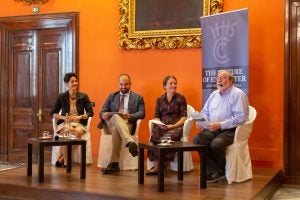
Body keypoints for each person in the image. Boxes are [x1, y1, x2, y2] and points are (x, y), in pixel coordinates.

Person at [193, 69, 249, 182]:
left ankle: (221, 170)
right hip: (213, 128)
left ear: (231, 80)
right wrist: (202, 121)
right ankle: (215, 170)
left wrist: (221, 125)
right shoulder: (214, 95)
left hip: (232, 129)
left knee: (216, 144)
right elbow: (205, 111)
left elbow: (240, 118)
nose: (219, 80)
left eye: (222, 78)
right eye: (217, 78)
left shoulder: (238, 94)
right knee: (198, 140)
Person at [98, 74, 145, 174]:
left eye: (126, 84)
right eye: (121, 84)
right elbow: (102, 111)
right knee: (115, 117)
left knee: (116, 129)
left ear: (130, 84)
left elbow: (142, 113)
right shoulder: (112, 96)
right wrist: (103, 115)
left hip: (127, 124)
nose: (123, 87)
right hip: (110, 124)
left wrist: (130, 116)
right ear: (118, 84)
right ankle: (129, 142)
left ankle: (114, 164)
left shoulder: (138, 98)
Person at [50, 72, 94, 167]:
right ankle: (66, 162)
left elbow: (91, 112)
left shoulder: (84, 96)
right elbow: (53, 113)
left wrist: (80, 117)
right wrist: (63, 117)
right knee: (66, 134)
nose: (75, 83)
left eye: (76, 81)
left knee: (76, 133)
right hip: (65, 124)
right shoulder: (62, 97)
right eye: (72, 81)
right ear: (67, 84)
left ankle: (62, 159)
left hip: (79, 124)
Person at [146, 75, 187, 175]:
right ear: (165, 86)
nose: (174, 85)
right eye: (171, 83)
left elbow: (184, 117)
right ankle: (157, 165)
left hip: (176, 126)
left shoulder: (181, 98)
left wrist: (173, 126)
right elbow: (156, 116)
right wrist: (159, 124)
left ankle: (162, 165)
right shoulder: (160, 99)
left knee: (169, 136)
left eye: (175, 83)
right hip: (162, 126)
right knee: (155, 133)